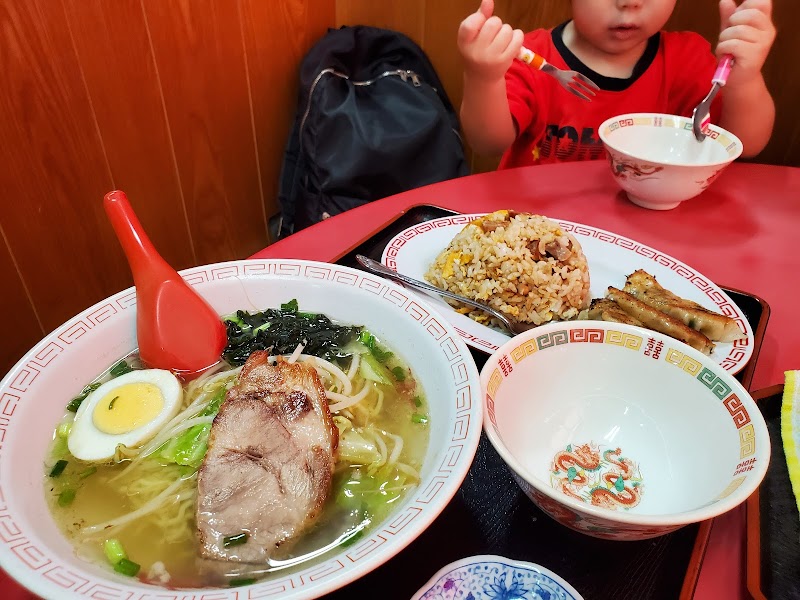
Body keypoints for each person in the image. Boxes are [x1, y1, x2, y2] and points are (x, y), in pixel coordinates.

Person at [457, 0, 776, 167]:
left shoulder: (686, 59)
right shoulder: (533, 56)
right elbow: (488, 143)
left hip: (647, 233)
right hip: (536, 234)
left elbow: (744, 142)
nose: (630, 2)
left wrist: (744, 78)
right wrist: (484, 77)